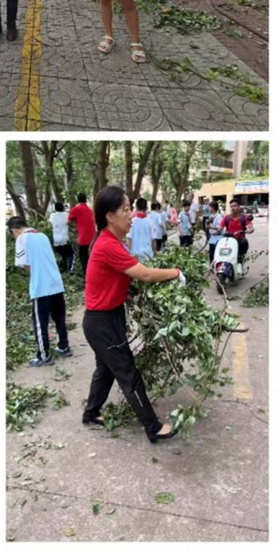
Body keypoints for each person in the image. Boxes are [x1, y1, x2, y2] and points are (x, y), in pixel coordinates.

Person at [81, 185, 186, 442]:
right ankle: (153, 427)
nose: (131, 214)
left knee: (106, 369)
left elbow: (113, 279)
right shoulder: (107, 244)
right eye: (125, 209)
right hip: (103, 323)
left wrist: (129, 295)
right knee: (127, 372)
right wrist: (175, 273)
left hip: (105, 319)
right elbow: (146, 274)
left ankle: (91, 413)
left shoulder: (108, 240)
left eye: (130, 208)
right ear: (110, 216)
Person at [9, 216, 70, 368]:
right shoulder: (42, 235)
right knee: (59, 318)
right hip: (56, 283)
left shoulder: (21, 239)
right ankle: (64, 346)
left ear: (14, 230)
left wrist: (34, 276)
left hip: (41, 286)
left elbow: (25, 265)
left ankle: (44, 356)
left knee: (40, 323)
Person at [68, 192, 96, 277]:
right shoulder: (90, 210)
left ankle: (86, 276)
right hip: (93, 238)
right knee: (91, 258)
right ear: (86, 200)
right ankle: (93, 274)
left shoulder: (75, 209)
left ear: (78, 200)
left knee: (83, 259)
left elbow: (68, 222)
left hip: (83, 238)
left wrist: (74, 229)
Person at [220, 198, 254, 264]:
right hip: (229, 241)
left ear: (239, 206)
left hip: (240, 240)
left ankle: (240, 264)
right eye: (231, 206)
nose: (233, 208)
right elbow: (219, 228)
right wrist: (211, 227)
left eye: (235, 206)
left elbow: (251, 228)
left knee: (244, 243)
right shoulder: (226, 217)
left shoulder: (244, 217)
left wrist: (249, 230)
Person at [49, 201, 74, 273]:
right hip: (65, 239)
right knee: (71, 254)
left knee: (62, 256)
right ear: (63, 207)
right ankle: (70, 270)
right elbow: (70, 223)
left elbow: (50, 224)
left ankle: (63, 269)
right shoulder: (66, 215)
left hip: (56, 240)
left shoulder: (52, 216)